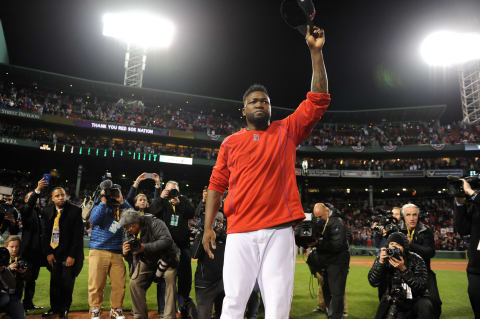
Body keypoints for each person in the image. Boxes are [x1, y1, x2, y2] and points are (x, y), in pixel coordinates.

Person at [202, 25, 330, 318]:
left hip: (278, 230)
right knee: (233, 302)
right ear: (243, 110)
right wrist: (208, 227)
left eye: (265, 101)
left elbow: (318, 100)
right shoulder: (230, 142)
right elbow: (216, 185)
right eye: (254, 101)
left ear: (271, 109)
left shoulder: (286, 131)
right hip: (239, 232)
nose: (261, 103)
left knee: (277, 305)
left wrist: (316, 52)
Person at [120, 209, 180, 319]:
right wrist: (125, 253)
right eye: (125, 227)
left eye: (128, 227)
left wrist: (145, 247)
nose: (127, 230)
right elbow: (131, 258)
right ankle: (139, 315)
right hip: (148, 259)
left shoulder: (155, 223)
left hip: (167, 258)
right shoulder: (128, 232)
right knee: (134, 283)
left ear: (136, 223)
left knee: (169, 278)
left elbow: (167, 240)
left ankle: (169, 316)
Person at [88, 183, 132, 319]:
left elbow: (133, 217)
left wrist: (122, 201)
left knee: (119, 284)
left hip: (117, 251)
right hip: (99, 249)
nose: (114, 195)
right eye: (112, 192)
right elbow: (93, 219)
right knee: (96, 284)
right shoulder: (100, 205)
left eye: (116, 192)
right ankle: (95, 309)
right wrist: (103, 201)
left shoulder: (124, 207)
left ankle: (116, 309)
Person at [368, 232, 433, 319]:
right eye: (391, 244)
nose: (394, 247)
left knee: (425, 305)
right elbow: (373, 282)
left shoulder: (416, 259)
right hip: (392, 299)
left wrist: (403, 269)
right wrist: (380, 263)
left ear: (404, 247)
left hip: (415, 300)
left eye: (398, 245)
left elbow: (421, 285)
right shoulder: (383, 259)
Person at [42, 187, 84, 319]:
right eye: (57, 196)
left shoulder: (75, 210)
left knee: (67, 283)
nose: (60, 197)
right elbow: (45, 234)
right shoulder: (47, 211)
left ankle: (64, 309)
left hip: (69, 255)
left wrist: (72, 255)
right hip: (54, 254)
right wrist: (48, 253)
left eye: (62, 195)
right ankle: (54, 308)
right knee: (54, 282)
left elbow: (78, 236)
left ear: (66, 196)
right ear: (52, 198)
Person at [155, 180, 195, 313]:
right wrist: (160, 197)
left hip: (183, 246)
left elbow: (191, 213)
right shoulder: (162, 201)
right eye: (170, 189)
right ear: (165, 190)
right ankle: (162, 308)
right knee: (163, 278)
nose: (173, 192)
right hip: (166, 247)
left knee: (185, 277)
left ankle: (182, 306)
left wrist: (180, 204)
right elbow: (153, 211)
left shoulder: (183, 200)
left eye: (175, 189)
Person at [400, 203, 441, 318]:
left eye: (414, 215)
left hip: (424, 272)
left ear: (418, 216)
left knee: (435, 304)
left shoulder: (425, 230)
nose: (412, 218)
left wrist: (410, 245)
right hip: (403, 272)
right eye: (408, 215)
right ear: (403, 217)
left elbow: (430, 252)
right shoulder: (398, 231)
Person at [311, 203, 349, 319]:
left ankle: (336, 316)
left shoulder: (337, 222)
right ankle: (331, 314)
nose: (318, 219)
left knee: (336, 291)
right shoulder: (323, 222)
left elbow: (336, 245)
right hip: (326, 262)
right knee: (326, 290)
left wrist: (318, 243)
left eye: (320, 216)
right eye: (315, 217)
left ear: (327, 212)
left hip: (338, 262)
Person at [20, 177, 48, 311]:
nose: (35, 198)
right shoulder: (26, 211)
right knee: (24, 279)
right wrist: (37, 190)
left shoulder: (39, 212)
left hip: (38, 253)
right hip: (28, 252)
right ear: (27, 200)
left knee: (32, 280)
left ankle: (28, 304)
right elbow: (29, 206)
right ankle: (18, 306)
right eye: (31, 197)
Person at [454, 179, 480, 318]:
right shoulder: (476, 204)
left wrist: (471, 192)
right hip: (476, 268)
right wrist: (460, 202)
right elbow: (463, 229)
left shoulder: (476, 198)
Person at [195, 212, 226, 319]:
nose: (219, 224)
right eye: (216, 220)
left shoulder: (226, 237)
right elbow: (194, 254)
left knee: (222, 315)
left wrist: (223, 235)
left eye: (220, 221)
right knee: (204, 316)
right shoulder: (203, 235)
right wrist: (205, 232)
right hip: (205, 284)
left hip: (222, 283)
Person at [0, 246, 25, 319]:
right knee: (4, 297)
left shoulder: (7, 273)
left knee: (19, 316)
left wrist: (21, 275)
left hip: (8, 299)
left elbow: (15, 293)